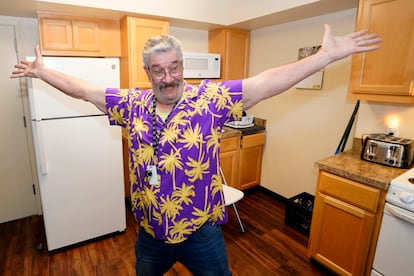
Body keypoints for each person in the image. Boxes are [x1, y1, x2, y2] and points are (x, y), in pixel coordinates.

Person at [11, 24, 381, 275]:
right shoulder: (132, 104)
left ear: (182, 66)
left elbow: (265, 84)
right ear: (148, 72)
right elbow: (85, 90)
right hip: (150, 234)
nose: (168, 77)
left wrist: (325, 57)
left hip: (200, 233)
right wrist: (44, 72)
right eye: (159, 70)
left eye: (174, 67)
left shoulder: (212, 99)